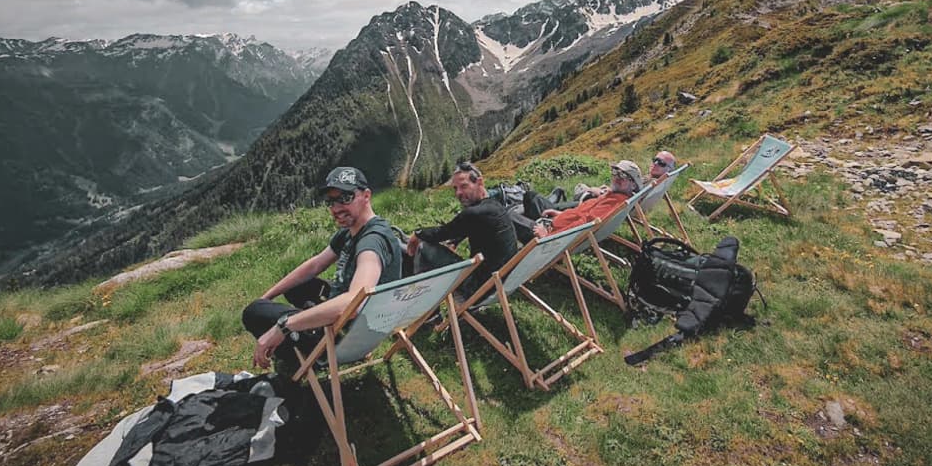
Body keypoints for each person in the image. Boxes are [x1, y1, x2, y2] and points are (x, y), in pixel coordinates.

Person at [243, 165, 403, 373]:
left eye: (345, 198)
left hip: (350, 337)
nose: (336, 208)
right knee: (297, 286)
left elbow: (354, 301)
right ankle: (308, 329)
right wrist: (268, 296)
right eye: (331, 201)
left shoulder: (372, 242)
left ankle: (297, 360)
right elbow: (316, 264)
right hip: (359, 324)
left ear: (366, 196)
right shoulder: (351, 231)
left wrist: (285, 325)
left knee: (253, 312)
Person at [405, 162, 518, 301]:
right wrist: (454, 241)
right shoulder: (494, 206)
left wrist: (417, 234)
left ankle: (422, 308)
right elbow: (466, 228)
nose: (458, 193)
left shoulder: (474, 213)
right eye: (455, 188)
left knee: (425, 247)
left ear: (479, 182)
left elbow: (441, 233)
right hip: (502, 283)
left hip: (477, 289)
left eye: (464, 186)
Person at [535, 159, 644, 237]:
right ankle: (552, 198)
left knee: (530, 201)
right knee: (532, 199)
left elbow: (582, 226)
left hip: (551, 236)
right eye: (615, 172)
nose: (617, 177)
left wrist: (548, 236)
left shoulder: (614, 203)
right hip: (553, 224)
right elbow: (582, 213)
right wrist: (560, 214)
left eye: (624, 175)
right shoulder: (614, 196)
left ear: (634, 185)